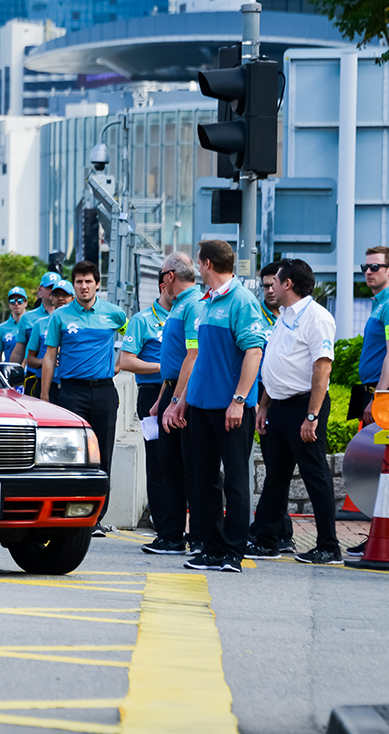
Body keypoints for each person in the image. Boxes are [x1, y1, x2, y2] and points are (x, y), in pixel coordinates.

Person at [162, 241, 266, 572]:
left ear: (207, 264)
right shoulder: (204, 303)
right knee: (202, 479)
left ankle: (233, 551)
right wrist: (180, 402)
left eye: (198, 262)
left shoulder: (242, 301)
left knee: (235, 480)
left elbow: (254, 352)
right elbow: (198, 359)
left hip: (230, 409)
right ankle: (209, 545)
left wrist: (238, 400)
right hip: (201, 407)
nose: (196, 268)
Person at [251, 258, 342, 565]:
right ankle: (266, 539)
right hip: (278, 405)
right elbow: (275, 363)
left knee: (315, 475)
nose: (270, 286)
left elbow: (322, 368)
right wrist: (264, 404)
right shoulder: (285, 315)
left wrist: (313, 416)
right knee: (275, 476)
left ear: (288, 284)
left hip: (305, 406)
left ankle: (328, 545)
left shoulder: (317, 318)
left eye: (274, 281)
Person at [40, 260, 127, 536]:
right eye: (79, 281)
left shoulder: (114, 314)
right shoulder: (61, 316)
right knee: (69, 455)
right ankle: (67, 514)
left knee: (103, 455)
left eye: (89, 281)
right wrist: (44, 396)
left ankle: (96, 517)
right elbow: (50, 357)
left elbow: (131, 338)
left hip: (104, 392)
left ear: (97, 284)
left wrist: (120, 362)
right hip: (71, 392)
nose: (84, 286)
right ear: (74, 285)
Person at [345, 245, 389, 558]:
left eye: (375, 267)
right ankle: (381, 533)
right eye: (365, 267)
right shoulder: (382, 304)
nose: (368, 272)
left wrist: (379, 397)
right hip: (381, 391)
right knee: (380, 469)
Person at [143, 252, 202, 556]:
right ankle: (172, 533)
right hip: (169, 391)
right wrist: (160, 401)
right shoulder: (182, 305)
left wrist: (176, 401)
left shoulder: (192, 305)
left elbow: (193, 356)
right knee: (170, 466)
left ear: (168, 277)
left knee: (180, 468)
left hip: (183, 395)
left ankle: (181, 535)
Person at [119, 267, 175, 552]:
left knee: (181, 464)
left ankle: (179, 526)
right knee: (157, 461)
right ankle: (162, 525)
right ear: (164, 285)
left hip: (181, 394)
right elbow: (126, 361)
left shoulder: (186, 316)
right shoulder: (142, 320)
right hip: (152, 395)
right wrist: (164, 369)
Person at [254, 261, 295, 554]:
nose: (269, 290)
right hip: (255, 396)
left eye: (273, 284)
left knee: (278, 469)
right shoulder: (254, 316)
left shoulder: (295, 318)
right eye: (265, 285)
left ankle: (282, 532)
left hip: (283, 398)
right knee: (269, 468)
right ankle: (267, 530)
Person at [12, 271, 62, 394]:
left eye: (56, 288)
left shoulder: (70, 317)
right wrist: (10, 378)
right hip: (36, 378)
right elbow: (19, 352)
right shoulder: (28, 318)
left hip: (65, 381)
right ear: (40, 290)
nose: (53, 291)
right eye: (49, 287)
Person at [24, 280, 74, 395]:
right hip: (46, 385)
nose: (60, 298)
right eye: (56, 295)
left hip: (72, 386)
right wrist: (45, 361)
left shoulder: (81, 325)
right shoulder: (40, 324)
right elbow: (29, 360)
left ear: (73, 298)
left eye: (65, 294)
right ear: (52, 298)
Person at [0, 286, 28, 362]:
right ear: (9, 305)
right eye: (12, 301)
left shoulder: (34, 324)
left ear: (26, 303)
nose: (16, 304)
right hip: (10, 371)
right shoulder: (1, 328)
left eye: (20, 301)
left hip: (31, 372)